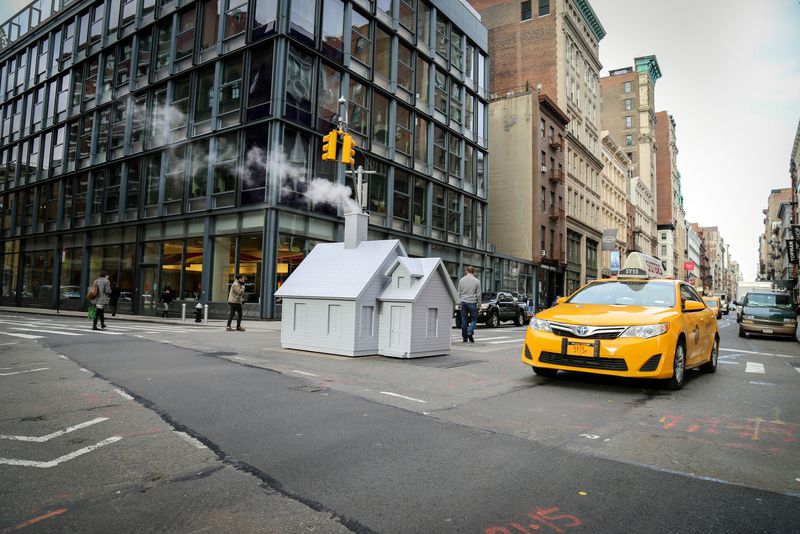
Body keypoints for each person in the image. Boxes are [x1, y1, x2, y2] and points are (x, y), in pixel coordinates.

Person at [457, 266, 481, 343]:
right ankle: (470, 332)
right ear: (473, 272)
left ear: (467, 271)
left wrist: (458, 303)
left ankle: (464, 338)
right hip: (472, 302)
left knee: (464, 320)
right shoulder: (477, 281)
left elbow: (459, 293)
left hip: (463, 302)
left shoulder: (461, 280)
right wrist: (480, 304)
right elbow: (479, 294)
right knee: (474, 319)